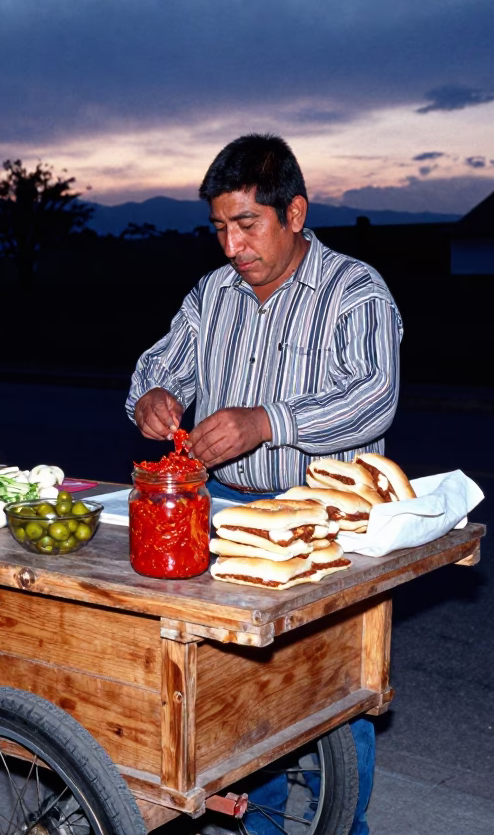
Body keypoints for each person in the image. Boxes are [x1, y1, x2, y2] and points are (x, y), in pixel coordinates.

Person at [125, 133, 403, 835]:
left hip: (324, 521)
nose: (231, 246)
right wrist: (153, 397)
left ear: (295, 213)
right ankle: (261, 824)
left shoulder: (354, 290)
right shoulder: (211, 295)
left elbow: (374, 395)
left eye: (247, 225)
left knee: (331, 687)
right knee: (240, 681)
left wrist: (267, 422)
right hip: (225, 515)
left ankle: (343, 825)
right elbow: (161, 365)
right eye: (220, 228)